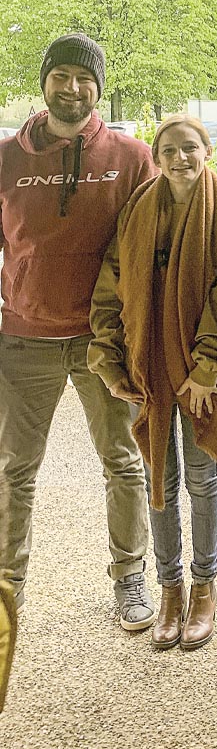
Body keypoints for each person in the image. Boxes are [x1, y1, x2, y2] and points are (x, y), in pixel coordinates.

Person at [0, 32, 157, 630]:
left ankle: (130, 577)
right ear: (45, 82)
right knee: (14, 468)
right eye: (60, 75)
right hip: (23, 339)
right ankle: (8, 583)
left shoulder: (131, 157)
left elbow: (153, 247)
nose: (72, 88)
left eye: (83, 78)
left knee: (123, 461)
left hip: (103, 342)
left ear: (99, 86)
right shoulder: (7, 158)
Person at [89, 115, 217, 651]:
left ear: (207, 150)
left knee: (202, 480)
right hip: (149, 368)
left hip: (199, 375)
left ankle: (205, 587)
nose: (179, 158)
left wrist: (207, 370)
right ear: (156, 157)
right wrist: (112, 362)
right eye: (168, 151)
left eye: (189, 148)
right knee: (158, 478)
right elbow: (112, 289)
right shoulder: (137, 210)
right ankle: (170, 588)